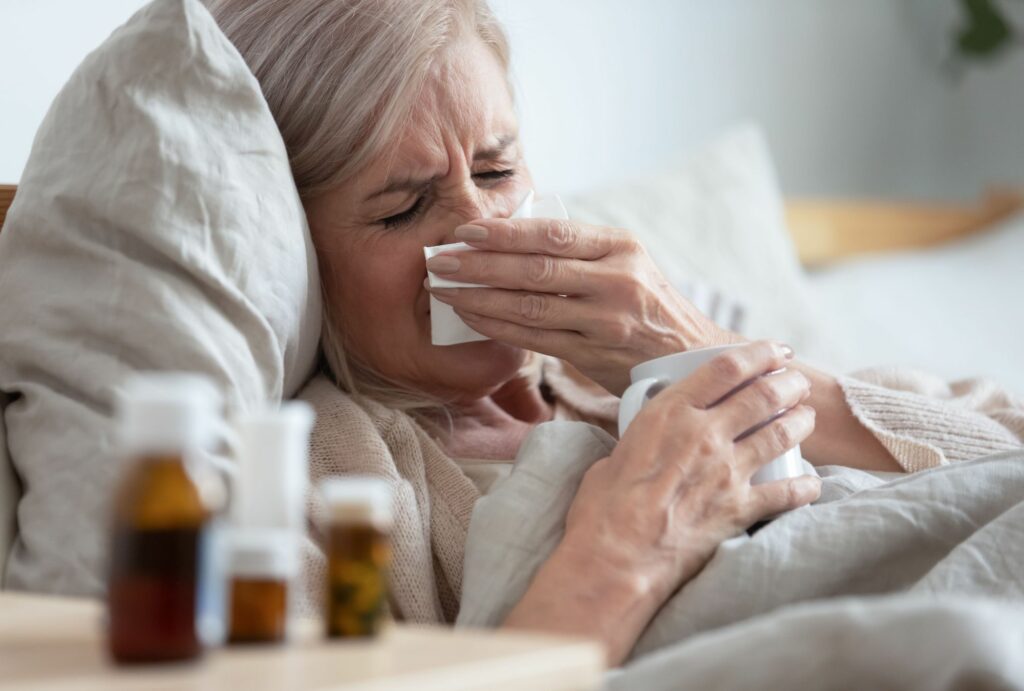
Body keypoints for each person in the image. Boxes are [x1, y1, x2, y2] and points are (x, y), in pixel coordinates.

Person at [208, 0, 1024, 664]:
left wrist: (701, 348)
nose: (479, 228)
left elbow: (1004, 454)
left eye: (497, 171)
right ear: (301, 251)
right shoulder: (326, 478)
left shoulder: (667, 328)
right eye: (402, 207)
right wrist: (627, 549)